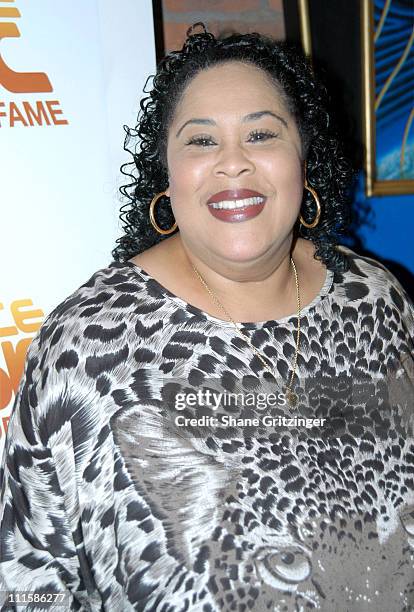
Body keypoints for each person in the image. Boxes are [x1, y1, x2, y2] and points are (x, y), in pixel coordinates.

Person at [1, 22, 413, 612]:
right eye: (200, 142)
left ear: (303, 158)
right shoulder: (89, 349)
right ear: (166, 176)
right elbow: (27, 585)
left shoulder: (376, 299)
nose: (233, 165)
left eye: (262, 134)